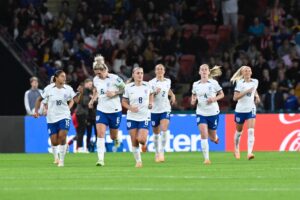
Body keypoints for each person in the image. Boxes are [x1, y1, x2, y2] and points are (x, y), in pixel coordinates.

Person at [34, 70, 77, 167]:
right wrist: (36, 112)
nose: (64, 78)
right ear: (56, 78)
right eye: (62, 76)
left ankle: (61, 161)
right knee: (54, 141)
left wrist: (79, 94)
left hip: (64, 116)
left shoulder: (68, 89)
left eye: (64, 76)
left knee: (62, 136)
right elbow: (39, 100)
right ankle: (63, 146)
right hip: (51, 118)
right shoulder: (48, 89)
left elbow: (74, 100)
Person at [88, 55, 125, 166]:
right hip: (101, 110)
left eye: (99, 73)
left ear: (105, 70)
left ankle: (116, 138)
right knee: (100, 134)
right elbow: (96, 91)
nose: (97, 75)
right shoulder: (95, 79)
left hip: (115, 110)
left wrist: (115, 93)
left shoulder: (115, 78)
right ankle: (100, 159)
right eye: (96, 73)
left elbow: (124, 89)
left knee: (113, 136)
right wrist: (92, 100)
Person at [191, 64, 224, 165]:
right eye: (202, 70)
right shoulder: (195, 84)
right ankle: (206, 159)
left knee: (212, 137)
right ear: (199, 72)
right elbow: (193, 95)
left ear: (209, 72)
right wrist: (193, 100)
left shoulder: (214, 83)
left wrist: (214, 99)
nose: (204, 71)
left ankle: (215, 137)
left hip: (213, 113)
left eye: (206, 70)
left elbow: (222, 94)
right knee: (204, 134)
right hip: (201, 113)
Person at [122, 67, 153, 168]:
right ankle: (138, 161)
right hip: (132, 117)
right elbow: (123, 102)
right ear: (133, 75)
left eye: (142, 73)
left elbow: (151, 94)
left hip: (144, 116)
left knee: (141, 139)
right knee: (134, 141)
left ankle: (144, 144)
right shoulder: (128, 87)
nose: (140, 75)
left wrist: (150, 103)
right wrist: (130, 108)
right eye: (138, 73)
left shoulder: (147, 85)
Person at [230, 66, 260, 160]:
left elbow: (254, 90)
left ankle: (249, 153)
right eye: (245, 71)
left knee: (251, 131)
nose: (247, 72)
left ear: (251, 72)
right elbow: (235, 98)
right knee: (239, 132)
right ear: (242, 73)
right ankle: (236, 148)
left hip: (251, 109)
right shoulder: (239, 83)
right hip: (240, 110)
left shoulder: (255, 81)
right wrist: (246, 91)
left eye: (249, 70)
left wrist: (257, 96)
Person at [149, 64, 176, 163]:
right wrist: (155, 92)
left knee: (164, 129)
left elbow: (167, 90)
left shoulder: (168, 81)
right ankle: (156, 153)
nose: (160, 70)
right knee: (156, 133)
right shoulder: (151, 83)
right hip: (154, 110)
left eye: (161, 69)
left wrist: (172, 95)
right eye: (158, 69)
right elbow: (148, 95)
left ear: (164, 71)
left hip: (165, 109)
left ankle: (161, 152)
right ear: (155, 71)